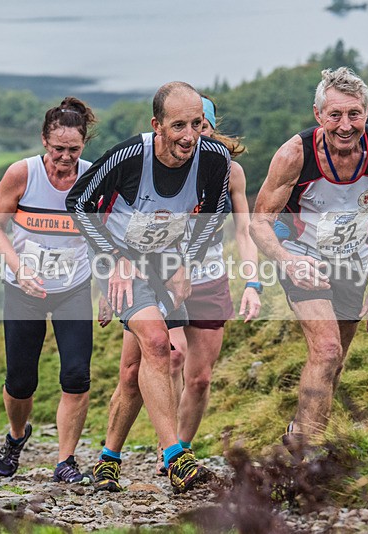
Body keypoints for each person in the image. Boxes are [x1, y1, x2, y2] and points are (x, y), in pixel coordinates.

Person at [66, 81, 231, 494]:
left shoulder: (212, 158)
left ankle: (108, 458)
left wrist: (187, 261)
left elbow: (216, 210)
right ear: (157, 125)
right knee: (161, 345)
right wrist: (113, 257)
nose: (189, 136)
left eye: (197, 124)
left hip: (166, 259)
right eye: (178, 126)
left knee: (134, 371)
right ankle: (175, 457)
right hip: (118, 259)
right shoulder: (129, 157)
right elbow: (78, 203)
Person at [249, 67, 368, 456]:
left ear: (367, 112)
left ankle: (299, 433)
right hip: (302, 257)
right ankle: (307, 459)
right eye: (335, 115)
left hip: (354, 261)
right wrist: (286, 260)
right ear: (318, 115)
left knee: (334, 362)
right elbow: (259, 222)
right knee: (326, 351)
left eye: (354, 114)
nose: (345, 125)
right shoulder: (295, 155)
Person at [110, 95, 263, 475]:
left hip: (209, 277)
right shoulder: (158, 164)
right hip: (162, 275)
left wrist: (252, 281)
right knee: (167, 356)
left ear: (212, 129)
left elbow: (244, 228)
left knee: (200, 378)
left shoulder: (231, 172)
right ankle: (168, 452)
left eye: (203, 127)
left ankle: (183, 449)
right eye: (187, 127)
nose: (195, 136)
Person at [0, 97, 97, 484]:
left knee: (77, 375)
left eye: (74, 150)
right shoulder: (22, 174)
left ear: (84, 145)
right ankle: (17, 436)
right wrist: (19, 268)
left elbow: (107, 233)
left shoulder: (93, 176)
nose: (65, 158)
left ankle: (66, 459)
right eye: (58, 149)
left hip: (73, 287)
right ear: (44, 142)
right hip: (23, 289)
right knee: (20, 382)